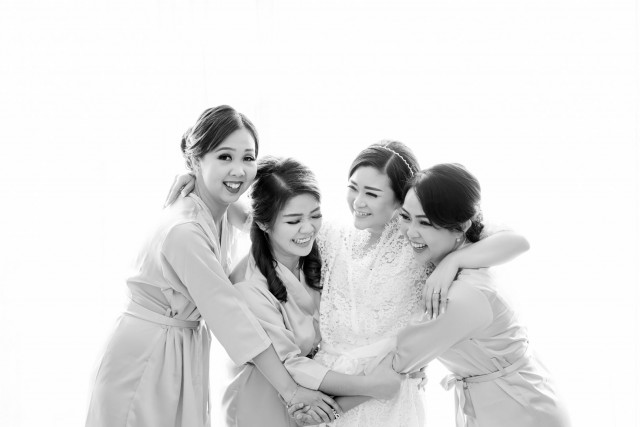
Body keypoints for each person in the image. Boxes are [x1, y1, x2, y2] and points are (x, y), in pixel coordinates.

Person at [166, 141, 530, 426]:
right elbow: (267, 218)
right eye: (353, 188)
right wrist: (202, 185)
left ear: (400, 199)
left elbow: (515, 240)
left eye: (372, 194)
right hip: (330, 388)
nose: (358, 202)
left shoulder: (418, 243)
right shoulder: (332, 236)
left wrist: (453, 261)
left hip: (385, 395)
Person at [85, 106, 340, 427]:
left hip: (178, 347)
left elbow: (265, 221)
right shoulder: (186, 231)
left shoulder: (220, 208)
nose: (238, 170)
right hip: (146, 355)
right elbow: (230, 316)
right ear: (196, 159)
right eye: (224, 157)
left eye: (248, 158)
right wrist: (291, 391)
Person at [222, 156, 404, 427]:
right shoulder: (248, 286)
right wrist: (371, 385)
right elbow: (289, 362)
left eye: (315, 215)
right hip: (261, 398)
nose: (308, 228)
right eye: (294, 221)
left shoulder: (317, 248)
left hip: (312, 392)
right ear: (263, 224)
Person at [393, 163, 571, 427]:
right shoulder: (476, 247)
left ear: (461, 226)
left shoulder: (462, 294)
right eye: (405, 217)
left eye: (425, 223)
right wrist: (451, 260)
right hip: (513, 398)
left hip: (518, 411)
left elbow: (401, 359)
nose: (410, 231)